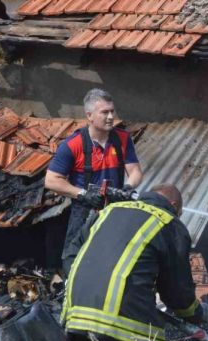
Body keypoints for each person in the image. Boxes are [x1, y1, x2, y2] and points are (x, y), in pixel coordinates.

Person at [61, 183, 204, 341]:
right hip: (126, 322)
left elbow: (69, 256)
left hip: (78, 316)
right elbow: (177, 292)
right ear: (173, 207)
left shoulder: (108, 212)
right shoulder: (169, 223)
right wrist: (194, 313)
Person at [45, 88, 143, 262]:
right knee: (76, 259)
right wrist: (83, 194)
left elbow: (134, 171)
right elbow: (51, 181)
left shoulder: (122, 139)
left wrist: (128, 187)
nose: (111, 117)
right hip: (84, 213)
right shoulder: (72, 145)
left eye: (112, 111)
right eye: (104, 112)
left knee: (114, 260)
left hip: (114, 211)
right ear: (89, 115)